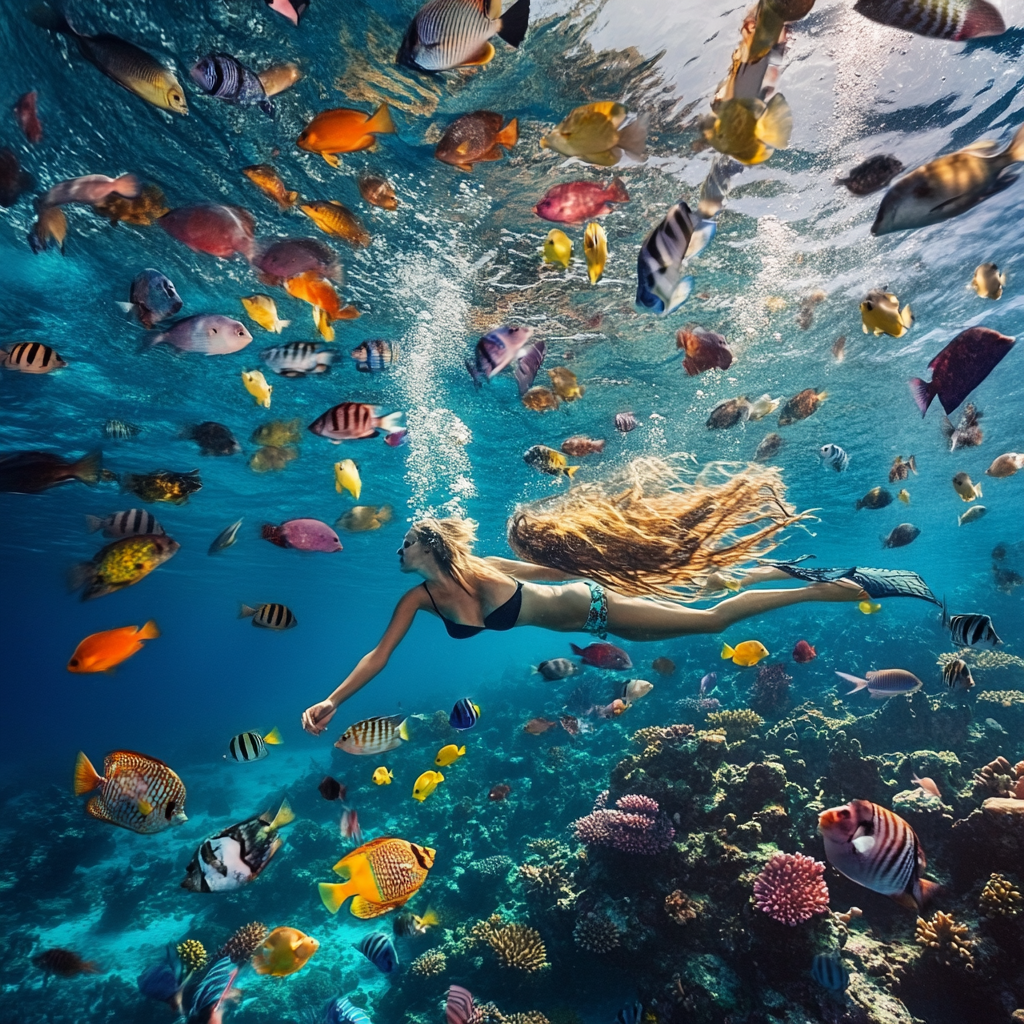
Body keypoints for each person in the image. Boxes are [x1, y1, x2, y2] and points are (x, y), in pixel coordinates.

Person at [301, 459, 871, 735]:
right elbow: (378, 656)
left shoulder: (486, 566)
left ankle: (817, 590)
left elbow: (548, 568)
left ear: (427, 545)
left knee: (712, 623)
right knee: (705, 613)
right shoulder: (418, 600)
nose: (396, 554)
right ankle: (765, 573)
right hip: (603, 629)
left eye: (404, 545)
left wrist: (612, 553)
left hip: (597, 604)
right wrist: (332, 700)